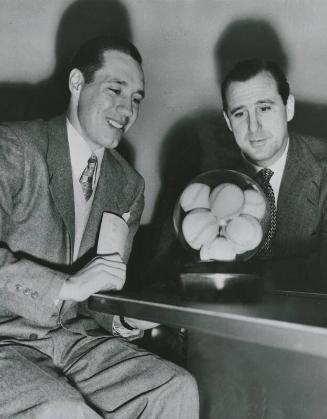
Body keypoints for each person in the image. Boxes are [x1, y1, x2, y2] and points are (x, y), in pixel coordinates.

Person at [0, 36, 198, 418]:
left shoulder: (128, 185)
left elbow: (99, 295)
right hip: (5, 340)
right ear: (77, 83)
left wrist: (125, 317)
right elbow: (76, 287)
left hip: (73, 342)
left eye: (137, 98)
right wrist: (65, 286)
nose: (127, 109)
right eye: (115, 90)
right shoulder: (14, 148)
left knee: (174, 388)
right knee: (64, 410)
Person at [221, 59, 327, 290]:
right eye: (240, 114)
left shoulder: (323, 169)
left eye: (264, 108)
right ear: (228, 121)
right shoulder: (212, 180)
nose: (253, 127)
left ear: (288, 107)